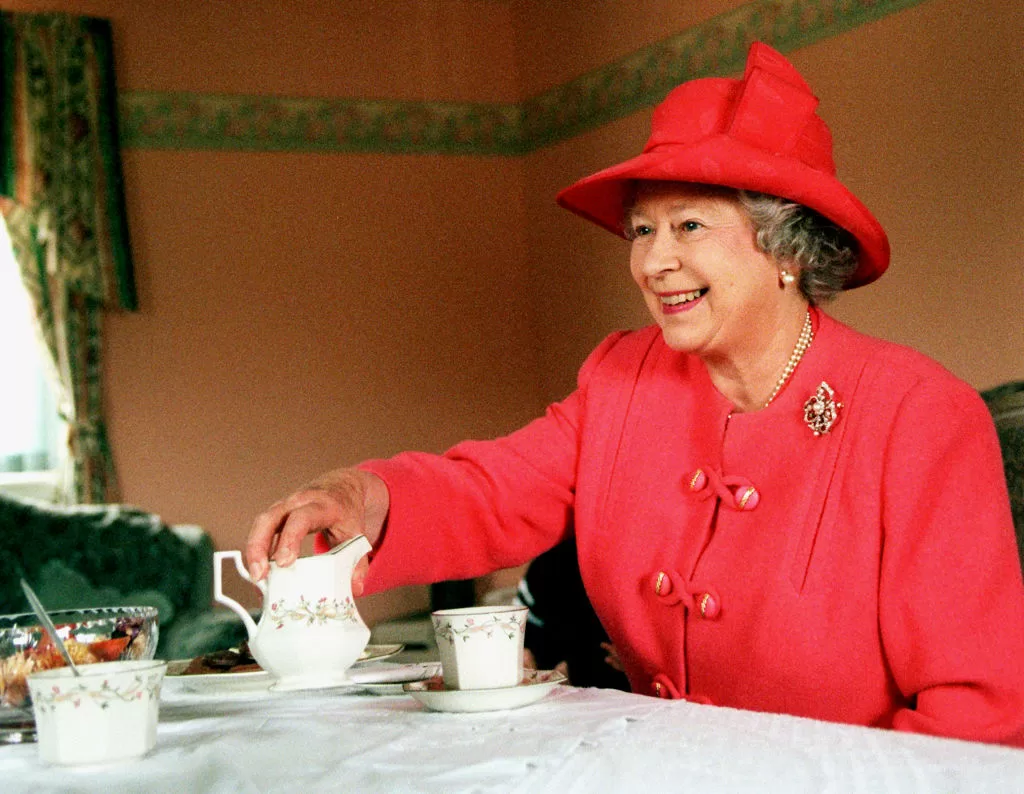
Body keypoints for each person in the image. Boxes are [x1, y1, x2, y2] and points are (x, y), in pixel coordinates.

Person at [245, 42, 1024, 745]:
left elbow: (978, 710)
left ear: (786, 246)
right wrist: (360, 500)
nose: (654, 264)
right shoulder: (623, 374)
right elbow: (492, 489)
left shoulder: (919, 415)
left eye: (688, 226)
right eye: (641, 232)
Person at [516, 540, 630, 691]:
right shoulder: (549, 561)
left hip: (624, 691)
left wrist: (577, 670)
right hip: (551, 690)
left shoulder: (634, 561)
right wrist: (521, 651)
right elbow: (524, 629)